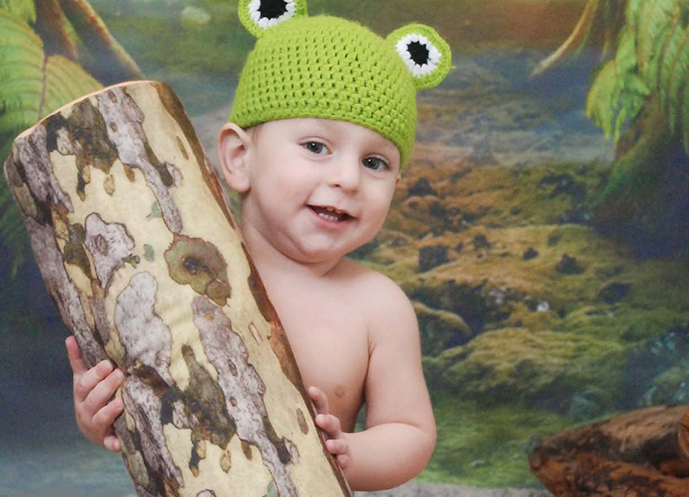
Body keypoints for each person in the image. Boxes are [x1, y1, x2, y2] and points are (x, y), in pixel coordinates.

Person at [63, 0, 452, 491]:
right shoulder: (178, 261)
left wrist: (349, 454)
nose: (348, 178)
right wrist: (101, 411)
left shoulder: (379, 307)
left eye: (375, 162)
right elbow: (147, 393)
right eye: (316, 147)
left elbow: (410, 433)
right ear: (239, 158)